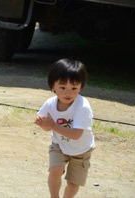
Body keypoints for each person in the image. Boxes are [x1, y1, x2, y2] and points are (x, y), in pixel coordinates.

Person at [34, 58, 94, 198]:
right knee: (55, 170)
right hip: (59, 145)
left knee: (73, 184)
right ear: (52, 87)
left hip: (81, 151)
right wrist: (43, 124)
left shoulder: (82, 107)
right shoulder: (50, 103)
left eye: (74, 88)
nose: (68, 93)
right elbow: (45, 124)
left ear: (81, 87)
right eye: (62, 88)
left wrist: (53, 125)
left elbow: (76, 134)